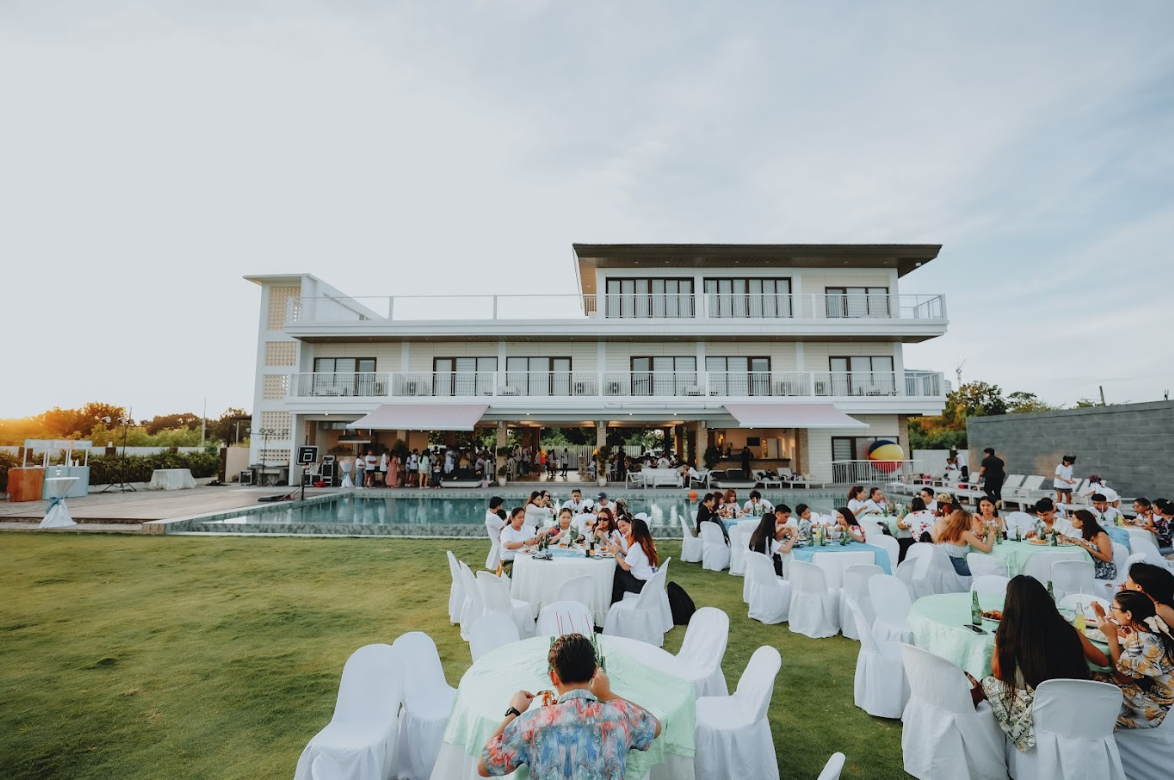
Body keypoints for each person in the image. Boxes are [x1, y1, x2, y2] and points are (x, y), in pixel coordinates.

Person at [478, 632, 661, 779]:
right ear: (595, 672)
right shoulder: (621, 715)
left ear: (553, 677)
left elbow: (484, 766)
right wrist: (607, 694)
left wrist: (514, 711)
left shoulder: (529, 724)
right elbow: (655, 726)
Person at [967, 575, 1091, 752]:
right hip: (1074, 700)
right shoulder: (1066, 628)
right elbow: (1102, 660)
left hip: (1037, 706)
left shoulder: (1011, 633)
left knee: (987, 682)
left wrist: (998, 639)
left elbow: (998, 674)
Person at [1094, 590, 1174, 729]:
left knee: (1097, 682)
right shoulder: (1152, 626)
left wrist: (1111, 637)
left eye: (1113, 608)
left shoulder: (1143, 642)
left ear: (1128, 614)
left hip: (1157, 708)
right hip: (1162, 696)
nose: (1112, 611)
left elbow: (1123, 678)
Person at [931, 508, 995, 576]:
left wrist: (973, 535)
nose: (972, 524)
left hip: (945, 565)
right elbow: (986, 549)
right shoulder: (965, 533)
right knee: (987, 568)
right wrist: (990, 537)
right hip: (958, 566)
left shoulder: (949, 530)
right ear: (966, 522)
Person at [611, 517, 658, 604]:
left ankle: (615, 602)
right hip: (650, 582)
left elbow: (626, 567)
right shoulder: (648, 544)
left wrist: (615, 553)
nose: (628, 531)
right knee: (621, 572)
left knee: (619, 570)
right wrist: (628, 541)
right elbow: (635, 558)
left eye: (630, 529)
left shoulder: (636, 546)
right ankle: (616, 600)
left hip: (641, 585)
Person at [1067, 509, 1116, 581]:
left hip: (1105, 569)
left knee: (1073, 573)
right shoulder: (1087, 533)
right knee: (1069, 568)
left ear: (1081, 522)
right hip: (1092, 565)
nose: (1071, 521)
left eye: (1073, 519)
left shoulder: (1100, 535)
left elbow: (1108, 559)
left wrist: (1084, 545)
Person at [749, 505, 797, 575]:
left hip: (757, 568)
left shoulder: (756, 535)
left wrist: (783, 528)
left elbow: (775, 537)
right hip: (769, 570)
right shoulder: (768, 540)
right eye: (776, 524)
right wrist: (794, 536)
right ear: (771, 525)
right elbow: (786, 549)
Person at [1124, 562, 1174, 627]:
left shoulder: (1160, 610)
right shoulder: (1150, 604)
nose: (1125, 582)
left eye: (1127, 578)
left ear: (1138, 587)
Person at [499, 508, 541, 576]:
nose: (522, 520)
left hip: (526, 559)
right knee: (521, 572)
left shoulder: (526, 528)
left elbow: (534, 540)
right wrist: (524, 543)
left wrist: (539, 537)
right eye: (519, 517)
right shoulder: (506, 531)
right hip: (510, 561)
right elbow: (508, 545)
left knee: (537, 568)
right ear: (512, 518)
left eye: (523, 517)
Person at [485, 497, 507, 570]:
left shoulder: (489, 513)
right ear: (498, 507)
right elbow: (505, 528)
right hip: (500, 542)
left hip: (496, 540)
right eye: (501, 505)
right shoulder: (493, 517)